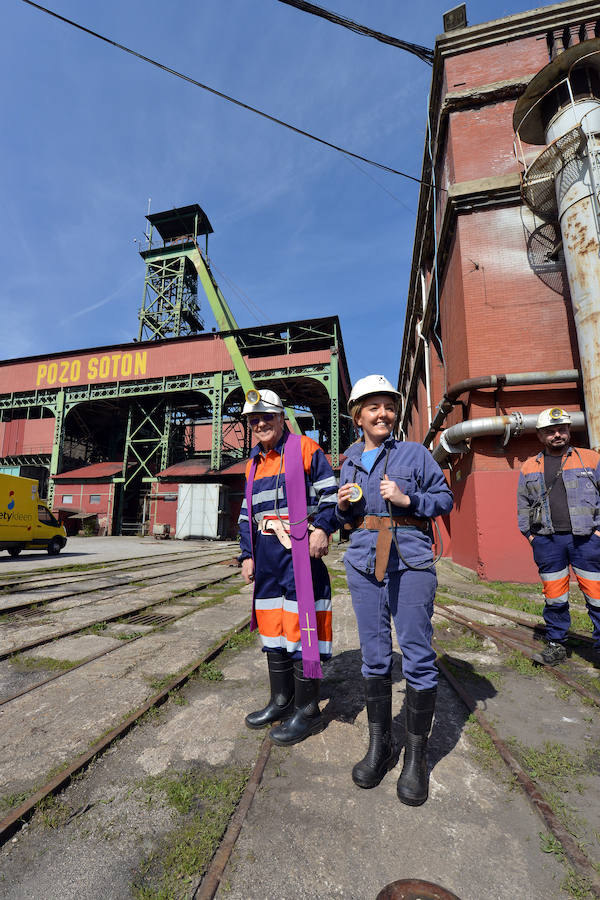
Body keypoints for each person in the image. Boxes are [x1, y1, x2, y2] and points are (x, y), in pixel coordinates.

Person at [336, 375, 453, 806]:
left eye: (388, 406)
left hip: (410, 560)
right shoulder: (348, 462)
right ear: (358, 417)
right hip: (364, 563)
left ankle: (416, 758)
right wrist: (343, 508)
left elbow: (444, 500)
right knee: (374, 656)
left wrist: (409, 500)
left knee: (418, 655)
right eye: (373, 408)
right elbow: (345, 521)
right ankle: (380, 745)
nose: (382, 414)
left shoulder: (415, 454)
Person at [238, 388, 339, 745]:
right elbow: (246, 514)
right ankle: (281, 700)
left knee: (301, 628)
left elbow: (331, 494)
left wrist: (324, 528)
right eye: (254, 419)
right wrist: (247, 555)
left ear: (282, 418)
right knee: (272, 626)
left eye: (267, 416)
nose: (261, 423)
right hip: (266, 557)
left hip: (299, 553)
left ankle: (308, 710)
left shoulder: (306, 450)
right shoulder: (252, 464)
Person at [517, 406, 600, 665]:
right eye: (550, 431)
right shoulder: (530, 466)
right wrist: (532, 537)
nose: (557, 435)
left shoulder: (591, 459)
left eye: (561, 429)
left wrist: (598, 532)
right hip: (548, 542)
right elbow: (523, 506)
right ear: (541, 436)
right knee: (555, 598)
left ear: (568, 431)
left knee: (597, 596)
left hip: (586, 540)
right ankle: (556, 643)